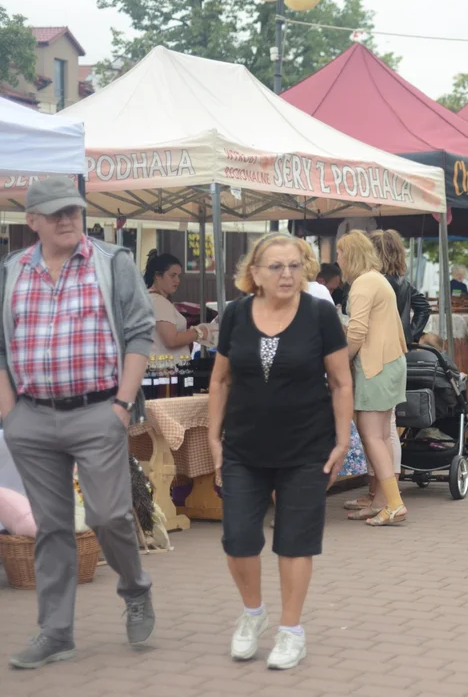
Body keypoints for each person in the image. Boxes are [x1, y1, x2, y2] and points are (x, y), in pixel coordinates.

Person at [2, 177, 156, 669]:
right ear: (33, 222)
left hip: (97, 411)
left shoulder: (112, 263)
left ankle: (135, 589)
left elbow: (139, 333)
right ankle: (56, 632)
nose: (68, 219)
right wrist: (9, 415)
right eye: (55, 213)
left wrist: (121, 405)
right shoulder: (11, 271)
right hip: (31, 416)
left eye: (73, 210)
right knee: (50, 528)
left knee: (108, 515)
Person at [207, 233, 351, 670]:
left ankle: (291, 631)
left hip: (307, 447)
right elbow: (220, 380)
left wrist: (343, 442)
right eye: (276, 266)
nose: (287, 274)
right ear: (254, 274)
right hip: (244, 448)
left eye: (294, 265)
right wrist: (214, 439)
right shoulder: (234, 314)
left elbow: (342, 382)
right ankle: (253, 614)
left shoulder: (320, 313)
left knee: (295, 541)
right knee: (238, 538)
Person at [338, 231, 409, 526]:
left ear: (350, 255)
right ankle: (383, 501)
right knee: (381, 436)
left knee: (371, 435)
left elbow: (356, 333)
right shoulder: (376, 279)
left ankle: (394, 504)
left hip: (375, 367)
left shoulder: (362, 284)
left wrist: (339, 362)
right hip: (390, 363)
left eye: (340, 253)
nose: (337, 259)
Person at [144, 251, 209, 357]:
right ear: (158, 275)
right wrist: (199, 332)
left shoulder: (148, 298)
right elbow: (171, 340)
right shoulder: (159, 302)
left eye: (178, 276)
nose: (177, 280)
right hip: (166, 369)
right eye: (172, 275)